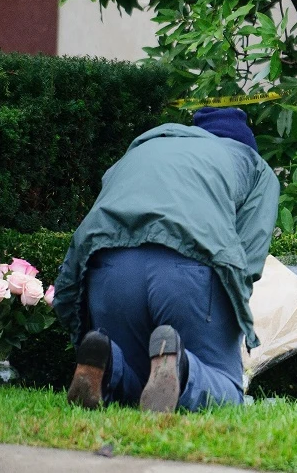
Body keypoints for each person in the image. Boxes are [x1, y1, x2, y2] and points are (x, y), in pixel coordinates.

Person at [51, 106, 278, 412]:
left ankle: (106, 361)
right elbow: (248, 260)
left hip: (108, 271)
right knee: (227, 387)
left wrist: (76, 326)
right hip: (188, 271)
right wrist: (233, 320)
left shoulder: (136, 156)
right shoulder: (255, 166)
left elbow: (82, 244)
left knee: (138, 373)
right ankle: (181, 365)